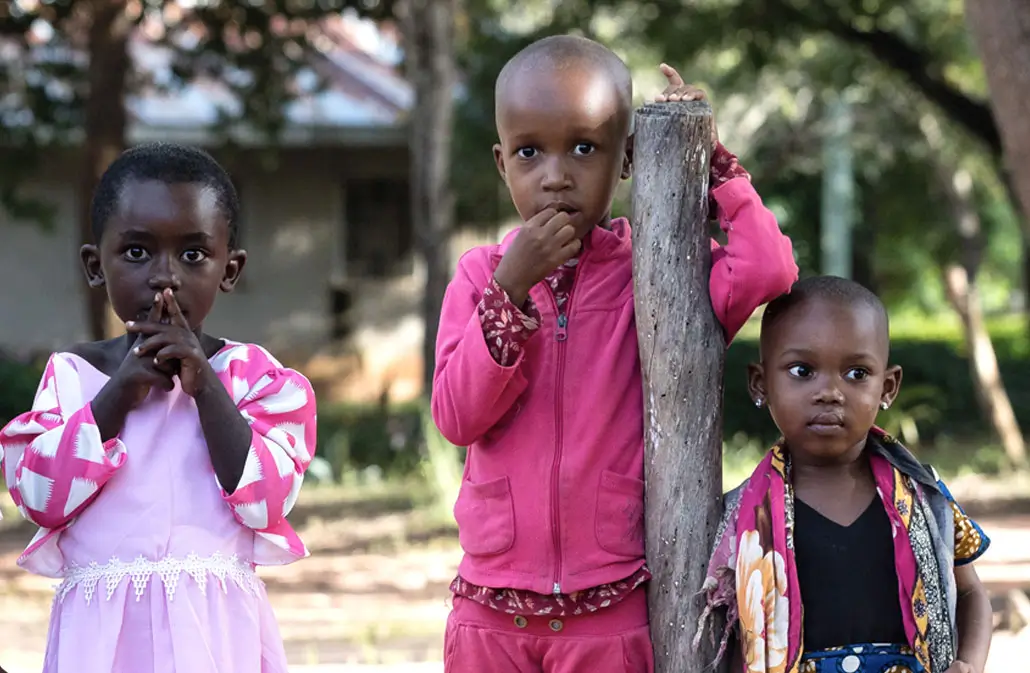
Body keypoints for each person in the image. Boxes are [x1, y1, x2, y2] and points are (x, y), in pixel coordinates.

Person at [431, 34, 797, 673]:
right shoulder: (478, 277)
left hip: (609, 616)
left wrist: (712, 162)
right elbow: (456, 417)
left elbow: (768, 268)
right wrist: (509, 291)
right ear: (501, 163)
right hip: (490, 614)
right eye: (528, 152)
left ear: (626, 158)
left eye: (583, 147)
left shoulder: (655, 272)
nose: (555, 175)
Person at [0, 143, 316, 673]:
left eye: (193, 254)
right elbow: (37, 498)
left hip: (215, 641)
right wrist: (117, 396)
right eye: (137, 252)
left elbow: (268, 504)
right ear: (95, 266)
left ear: (229, 269)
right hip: (102, 646)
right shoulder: (76, 378)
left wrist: (207, 388)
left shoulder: (256, 379)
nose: (164, 276)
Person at [697, 276, 993, 673]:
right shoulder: (740, 518)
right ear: (761, 383)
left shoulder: (924, 496)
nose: (830, 392)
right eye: (802, 370)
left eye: (856, 374)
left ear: (887, 387)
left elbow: (971, 591)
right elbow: (735, 639)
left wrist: (969, 664)